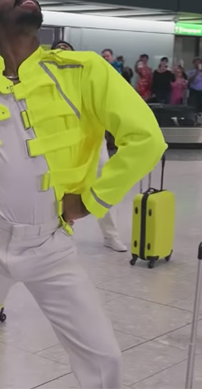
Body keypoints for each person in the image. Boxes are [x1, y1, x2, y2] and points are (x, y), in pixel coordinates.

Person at [0, 0, 166, 388]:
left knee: (102, 355)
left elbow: (147, 139)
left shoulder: (83, 71)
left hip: (49, 242)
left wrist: (91, 200)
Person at [51, 40, 129, 252]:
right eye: (58, 51)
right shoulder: (45, 82)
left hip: (93, 142)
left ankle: (110, 234)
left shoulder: (87, 76)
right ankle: (62, 231)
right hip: (61, 146)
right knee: (57, 190)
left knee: (102, 185)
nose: (62, 54)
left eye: (66, 50)